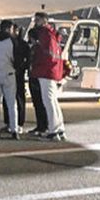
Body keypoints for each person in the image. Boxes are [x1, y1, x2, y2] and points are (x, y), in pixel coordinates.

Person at [30, 12, 66, 141]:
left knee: (48, 101)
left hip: (45, 71)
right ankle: (59, 128)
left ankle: (53, 131)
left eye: (37, 20)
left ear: (44, 20)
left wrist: (35, 65)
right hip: (53, 71)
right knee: (53, 101)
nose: (35, 22)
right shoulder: (53, 35)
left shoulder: (44, 34)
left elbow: (45, 54)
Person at [0, 20, 20, 140]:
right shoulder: (11, 41)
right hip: (9, 73)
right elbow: (16, 58)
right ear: (8, 29)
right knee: (11, 104)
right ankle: (14, 130)